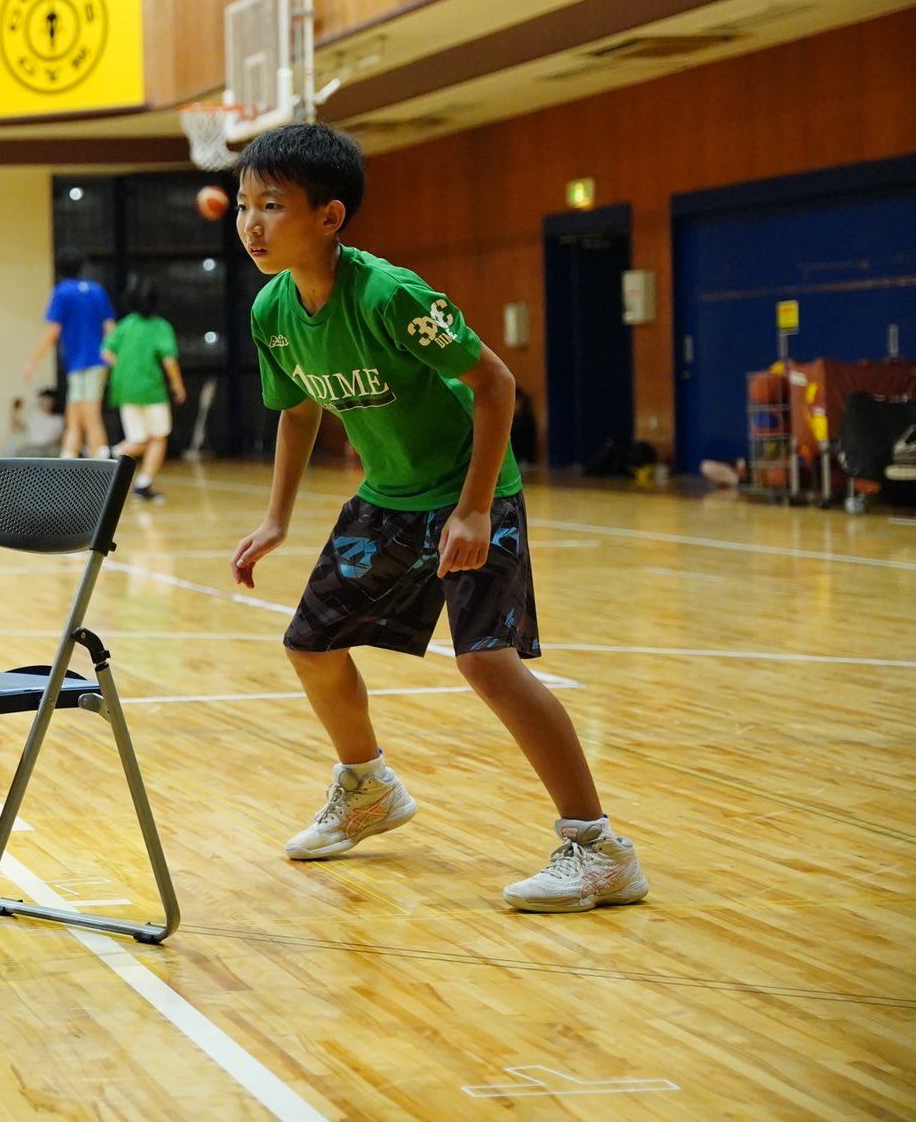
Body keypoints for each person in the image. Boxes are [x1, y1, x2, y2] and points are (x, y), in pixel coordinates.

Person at [227, 123, 645, 914]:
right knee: (311, 645)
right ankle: (368, 788)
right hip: (386, 497)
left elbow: (497, 386)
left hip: (469, 492)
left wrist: (477, 509)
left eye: (271, 206)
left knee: (487, 662)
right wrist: (277, 517)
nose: (251, 223)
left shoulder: (391, 295)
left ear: (329, 216)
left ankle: (600, 849)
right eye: (244, 205)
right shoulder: (272, 311)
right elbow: (295, 411)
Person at [23, 249, 115, 458]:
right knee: (73, 419)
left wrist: (32, 361)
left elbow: (53, 333)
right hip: (93, 363)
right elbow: (110, 327)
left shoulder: (62, 292)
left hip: (85, 363)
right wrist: (110, 353)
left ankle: (102, 471)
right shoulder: (97, 290)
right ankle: (67, 465)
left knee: (91, 418)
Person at [102, 277, 187, 503]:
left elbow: (106, 353)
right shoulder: (160, 327)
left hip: (124, 389)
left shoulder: (125, 324)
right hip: (151, 390)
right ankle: (141, 482)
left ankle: (107, 454)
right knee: (158, 438)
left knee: (139, 439)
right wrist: (178, 385)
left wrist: (123, 369)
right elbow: (169, 360)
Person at [9, 387, 65, 457]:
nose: (47, 402)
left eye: (50, 400)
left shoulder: (58, 419)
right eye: (45, 399)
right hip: (33, 448)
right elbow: (17, 426)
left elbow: (61, 437)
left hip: (50, 449)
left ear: (54, 402)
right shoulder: (32, 415)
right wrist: (14, 410)